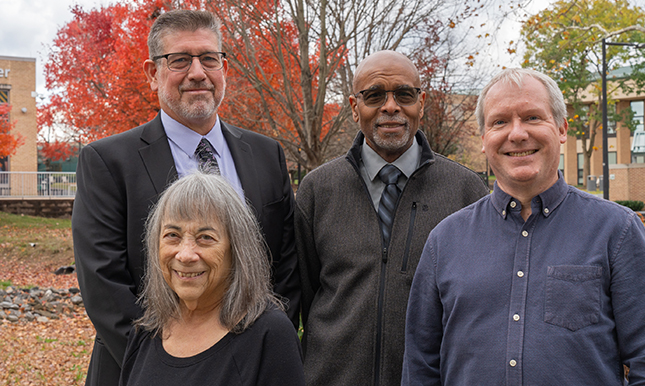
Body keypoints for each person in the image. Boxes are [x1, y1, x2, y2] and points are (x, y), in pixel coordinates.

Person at [402, 68, 645, 385]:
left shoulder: (616, 231)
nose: (517, 133)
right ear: (483, 139)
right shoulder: (445, 241)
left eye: (533, 118)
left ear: (562, 128)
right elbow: (420, 367)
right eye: (500, 122)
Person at [72, 10, 299, 386]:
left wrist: (264, 348)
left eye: (209, 58)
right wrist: (175, 365)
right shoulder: (107, 161)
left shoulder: (266, 154)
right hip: (139, 369)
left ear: (223, 67)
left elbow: (286, 268)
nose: (198, 73)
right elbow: (103, 284)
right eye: (179, 60)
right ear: (151, 72)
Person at [295, 50, 488, 386]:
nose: (390, 106)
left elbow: (479, 305)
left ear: (421, 103)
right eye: (374, 95)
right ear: (355, 107)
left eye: (404, 94)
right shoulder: (317, 190)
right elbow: (305, 295)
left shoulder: (465, 191)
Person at [119, 173, 304, 386]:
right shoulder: (147, 330)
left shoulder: (269, 335)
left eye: (205, 237)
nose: (185, 254)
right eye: (172, 235)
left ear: (236, 250)